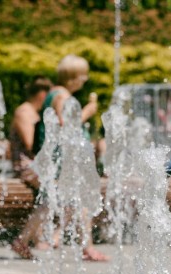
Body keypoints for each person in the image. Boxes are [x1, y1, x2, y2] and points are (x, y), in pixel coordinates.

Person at [17, 54, 108, 262]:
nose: (85, 80)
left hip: (65, 156)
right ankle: (22, 240)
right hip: (64, 158)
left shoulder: (55, 94)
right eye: (83, 75)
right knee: (56, 201)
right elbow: (64, 126)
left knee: (70, 201)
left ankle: (86, 246)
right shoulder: (61, 96)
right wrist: (87, 111)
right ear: (73, 76)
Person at [10, 76, 54, 259]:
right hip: (25, 166)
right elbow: (31, 144)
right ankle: (22, 240)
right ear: (43, 95)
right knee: (53, 194)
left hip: (36, 165)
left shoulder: (35, 112)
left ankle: (38, 237)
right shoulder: (24, 112)